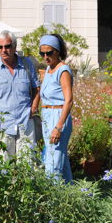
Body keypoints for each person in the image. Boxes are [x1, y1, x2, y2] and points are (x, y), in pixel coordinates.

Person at [0, 30, 40, 159]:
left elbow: (36, 88)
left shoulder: (27, 64)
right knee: (4, 167)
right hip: (2, 126)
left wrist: (33, 108)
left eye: (7, 46)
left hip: (25, 123)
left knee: (28, 165)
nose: (4, 50)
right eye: (0, 47)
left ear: (14, 47)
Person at [38, 34, 73, 183]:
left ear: (58, 51)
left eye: (49, 53)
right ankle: (71, 196)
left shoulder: (63, 70)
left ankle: (52, 200)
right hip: (47, 115)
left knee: (53, 164)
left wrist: (58, 127)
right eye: (42, 53)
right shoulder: (48, 69)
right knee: (59, 160)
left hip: (57, 115)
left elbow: (69, 100)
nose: (46, 57)